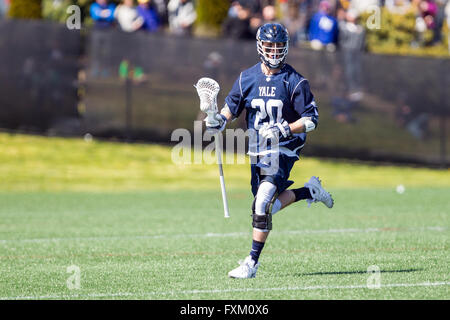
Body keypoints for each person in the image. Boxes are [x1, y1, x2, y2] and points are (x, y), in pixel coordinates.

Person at [206, 23, 334, 279]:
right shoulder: (247, 78)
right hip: (258, 151)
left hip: (284, 149)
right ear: (260, 46)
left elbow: (312, 119)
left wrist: (284, 130)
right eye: (269, 46)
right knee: (263, 207)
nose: (274, 52)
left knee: (263, 201)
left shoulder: (295, 81)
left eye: (279, 47)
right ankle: (309, 191)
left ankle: (251, 263)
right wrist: (218, 120)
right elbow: (230, 108)